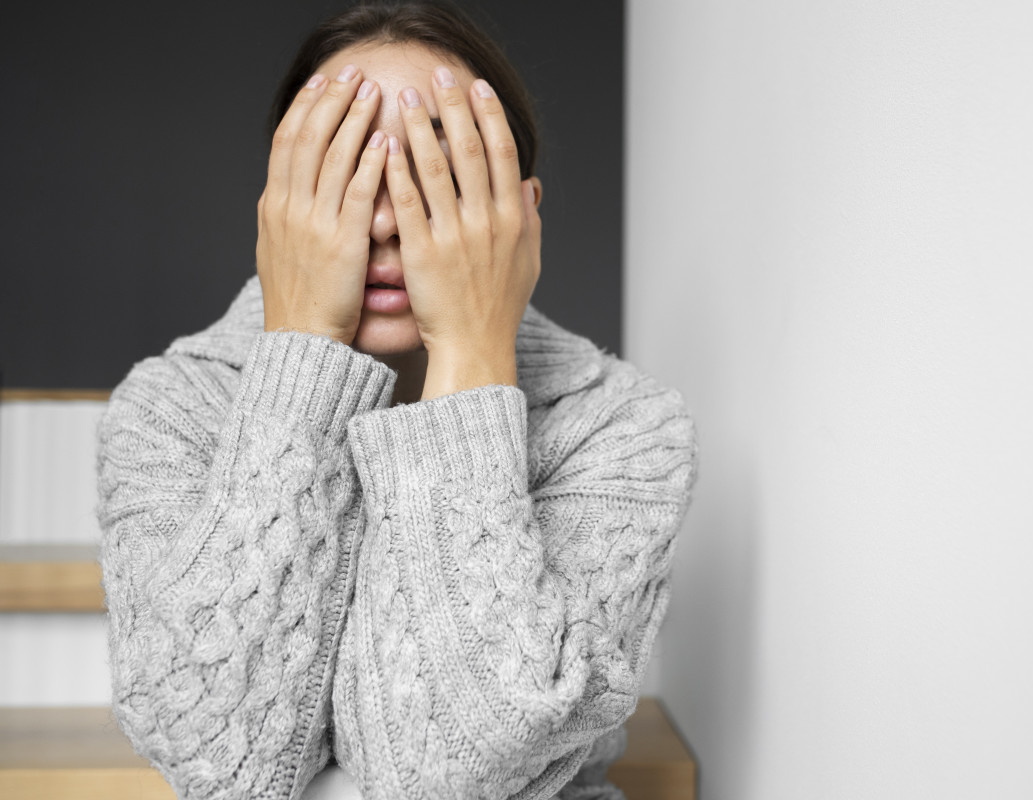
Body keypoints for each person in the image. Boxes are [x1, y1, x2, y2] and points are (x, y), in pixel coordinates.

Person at [93, 1, 700, 799]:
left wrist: (475, 352)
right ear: (280, 208)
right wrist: (303, 345)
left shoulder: (625, 429)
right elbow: (220, 761)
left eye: (435, 174)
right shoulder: (167, 410)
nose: (383, 219)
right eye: (341, 173)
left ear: (520, 218)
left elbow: (443, 770)